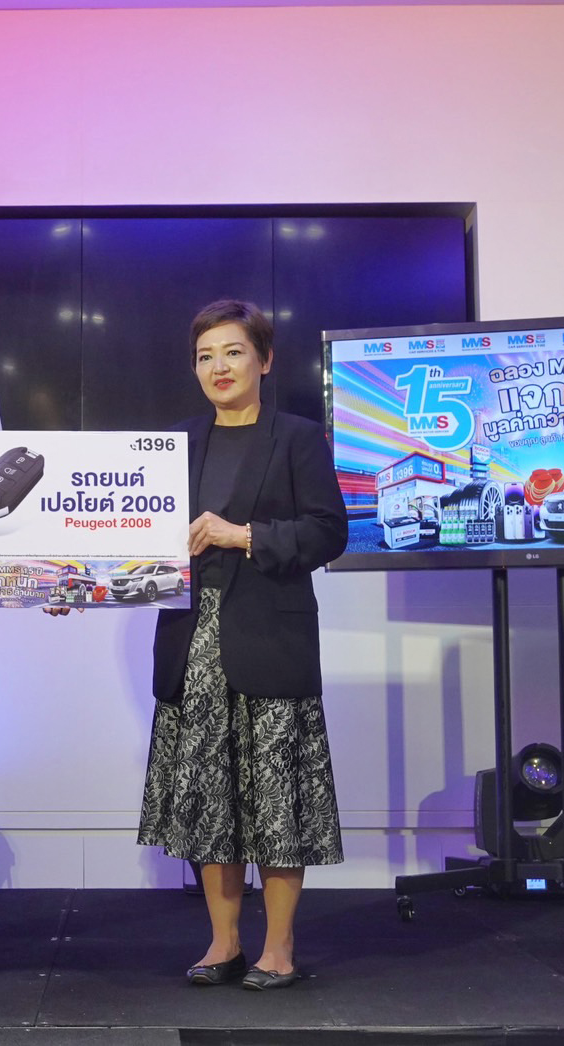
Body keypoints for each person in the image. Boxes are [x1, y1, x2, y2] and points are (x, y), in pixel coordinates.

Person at [137, 299, 348, 990]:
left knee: (277, 800)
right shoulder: (172, 446)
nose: (218, 367)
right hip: (191, 643)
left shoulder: (297, 438)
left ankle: (277, 949)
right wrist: (79, 582)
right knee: (209, 798)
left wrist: (245, 535)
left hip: (270, 639)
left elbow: (329, 531)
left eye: (232, 352)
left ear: (264, 359)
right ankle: (223, 943)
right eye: (205, 356)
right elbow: (135, 539)